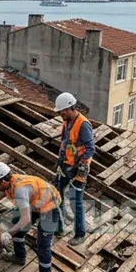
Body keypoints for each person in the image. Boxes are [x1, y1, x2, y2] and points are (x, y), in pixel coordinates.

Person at [52, 92, 94, 246]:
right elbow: (65, 143)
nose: (60, 114)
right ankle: (59, 227)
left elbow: (90, 148)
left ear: (70, 108)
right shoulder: (67, 122)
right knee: (57, 196)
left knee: (76, 202)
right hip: (65, 166)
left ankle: (80, 233)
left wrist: (81, 166)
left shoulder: (83, 124)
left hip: (78, 169)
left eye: (62, 111)